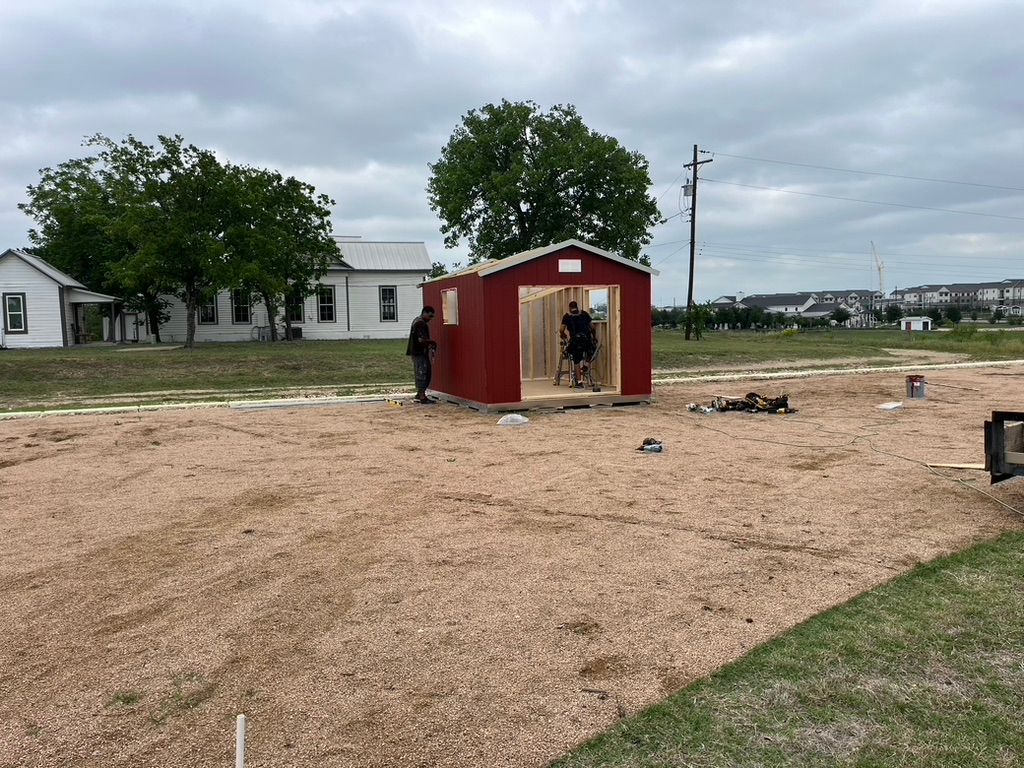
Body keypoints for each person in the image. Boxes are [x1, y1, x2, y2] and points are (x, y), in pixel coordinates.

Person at [560, 300, 597, 387]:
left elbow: (561, 330)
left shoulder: (566, 316)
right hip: (586, 340)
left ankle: (579, 382)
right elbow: (592, 327)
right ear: (577, 307)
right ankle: (586, 365)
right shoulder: (584, 314)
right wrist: (594, 338)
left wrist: (563, 335)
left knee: (576, 360)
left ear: (569, 308)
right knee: (592, 350)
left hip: (575, 342)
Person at [406, 306, 437, 404]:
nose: (430, 318)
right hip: (419, 352)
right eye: (430, 316)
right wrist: (432, 342)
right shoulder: (420, 323)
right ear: (424, 313)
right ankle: (422, 396)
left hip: (417, 352)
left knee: (423, 371)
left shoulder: (416, 320)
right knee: (423, 372)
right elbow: (421, 340)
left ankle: (419, 394)